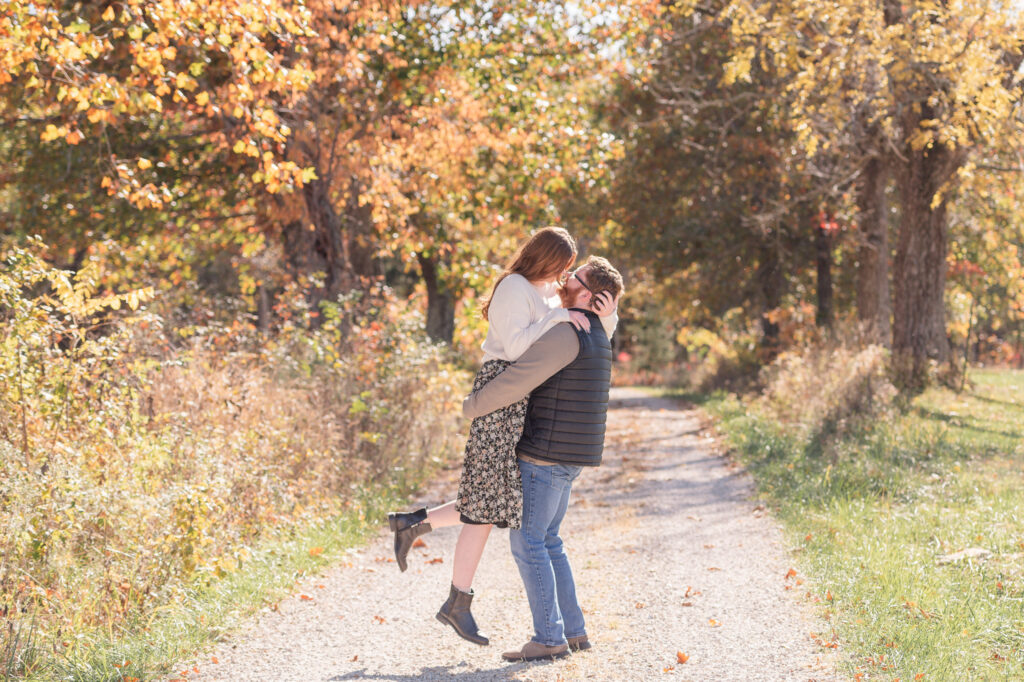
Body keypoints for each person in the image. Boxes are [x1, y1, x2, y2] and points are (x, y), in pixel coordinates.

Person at [386, 228, 618, 646]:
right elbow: (516, 352)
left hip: (521, 398)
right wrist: (562, 317)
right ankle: (455, 597)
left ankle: (415, 527)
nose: (565, 276)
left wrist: (605, 313)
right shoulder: (516, 287)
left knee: (492, 498)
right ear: (544, 258)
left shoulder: (548, 291)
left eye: (571, 271)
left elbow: (582, 340)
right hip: (503, 388)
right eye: (563, 267)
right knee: (487, 502)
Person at [461, 255, 624, 662]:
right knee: (549, 541)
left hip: (546, 455)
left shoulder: (567, 332)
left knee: (528, 540)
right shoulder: (598, 333)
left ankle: (549, 637)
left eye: (576, 277)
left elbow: (518, 380)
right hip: (571, 457)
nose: (566, 278)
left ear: (587, 295)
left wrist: (474, 405)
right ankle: (574, 631)